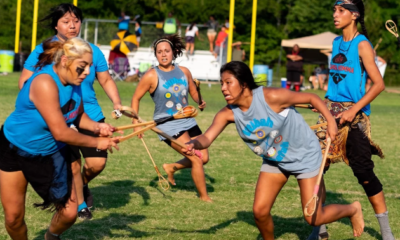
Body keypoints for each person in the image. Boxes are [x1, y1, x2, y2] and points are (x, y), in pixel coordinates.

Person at [182, 61, 364, 239]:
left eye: (228, 82)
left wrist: (331, 122)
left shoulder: (272, 97)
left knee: (313, 217)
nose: (223, 88)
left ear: (244, 83)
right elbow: (206, 138)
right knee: (260, 212)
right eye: (222, 83)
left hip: (305, 156)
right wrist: (193, 143)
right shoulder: (227, 113)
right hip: (275, 160)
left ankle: (352, 209)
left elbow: (312, 98)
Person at [0, 37, 120, 240]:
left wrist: (97, 127)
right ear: (65, 61)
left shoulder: (74, 82)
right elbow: (61, 133)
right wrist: (97, 142)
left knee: (69, 212)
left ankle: (51, 236)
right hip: (14, 148)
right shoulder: (44, 82)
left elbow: (77, 114)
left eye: (89, 66)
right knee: (13, 218)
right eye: (82, 67)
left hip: (49, 153)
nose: (88, 72)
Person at [18, 3, 122, 220]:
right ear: (56, 25)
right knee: (73, 164)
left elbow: (105, 79)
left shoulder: (91, 50)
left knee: (97, 163)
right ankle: (81, 204)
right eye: (66, 21)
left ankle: (80, 187)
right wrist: (46, 104)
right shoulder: (44, 50)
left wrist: (117, 103)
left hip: (88, 114)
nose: (72, 26)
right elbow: (24, 82)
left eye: (76, 21)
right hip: (62, 115)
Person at [307, 1, 394, 240]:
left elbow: (379, 84)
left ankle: (387, 233)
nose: (335, 14)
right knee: (314, 169)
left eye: (341, 10)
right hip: (329, 113)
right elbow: (336, 80)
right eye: (334, 10)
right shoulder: (335, 43)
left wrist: (353, 109)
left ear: (354, 15)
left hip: (353, 118)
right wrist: (322, 102)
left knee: (364, 172)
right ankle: (319, 228)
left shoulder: (363, 44)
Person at [131, 34, 211, 202]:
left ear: (174, 52)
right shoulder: (152, 75)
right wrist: (135, 122)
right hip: (168, 124)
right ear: (156, 55)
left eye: (167, 51)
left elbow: (193, 91)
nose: (163, 54)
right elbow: (135, 98)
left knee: (204, 157)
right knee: (196, 159)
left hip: (188, 119)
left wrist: (200, 101)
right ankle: (205, 198)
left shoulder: (184, 71)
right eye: (159, 52)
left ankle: (171, 167)